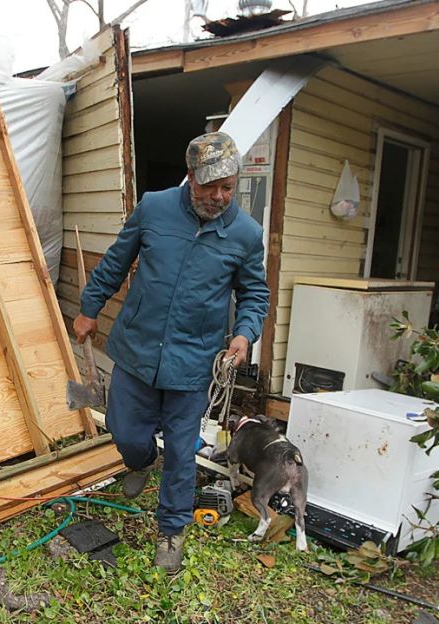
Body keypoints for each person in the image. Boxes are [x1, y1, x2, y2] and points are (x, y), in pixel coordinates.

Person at [72, 131, 270, 573]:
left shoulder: (245, 232)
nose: (219, 197)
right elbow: (116, 261)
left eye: (228, 187)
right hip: (138, 347)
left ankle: (172, 531)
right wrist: (89, 308)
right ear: (190, 177)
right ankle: (139, 461)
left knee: (181, 452)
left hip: (194, 360)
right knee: (125, 430)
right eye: (209, 186)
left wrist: (245, 334)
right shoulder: (154, 207)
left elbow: (255, 294)